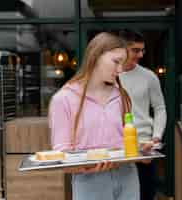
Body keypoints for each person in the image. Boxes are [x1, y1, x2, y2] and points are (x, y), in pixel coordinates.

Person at [48, 32, 140, 200]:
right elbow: (61, 155)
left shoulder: (122, 96)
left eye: (122, 64)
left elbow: (126, 138)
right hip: (90, 182)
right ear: (96, 56)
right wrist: (87, 167)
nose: (120, 70)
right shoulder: (63, 99)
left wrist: (139, 147)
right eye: (116, 62)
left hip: (128, 176)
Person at [118, 29, 167, 200]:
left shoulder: (149, 76)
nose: (141, 54)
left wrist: (156, 137)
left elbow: (160, 108)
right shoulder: (109, 75)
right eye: (136, 50)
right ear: (122, 49)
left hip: (143, 148)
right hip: (117, 148)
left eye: (142, 50)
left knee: (145, 194)